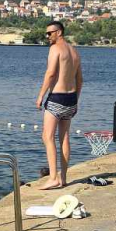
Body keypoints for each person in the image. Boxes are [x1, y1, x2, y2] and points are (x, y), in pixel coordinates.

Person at [34, 20, 82, 190]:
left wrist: (41, 95)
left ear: (59, 32)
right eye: (46, 34)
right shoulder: (74, 51)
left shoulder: (55, 49)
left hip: (57, 98)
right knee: (64, 138)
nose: (47, 37)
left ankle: (53, 177)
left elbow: (51, 73)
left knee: (47, 137)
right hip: (71, 99)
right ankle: (64, 178)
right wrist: (76, 98)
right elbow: (79, 79)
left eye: (50, 33)